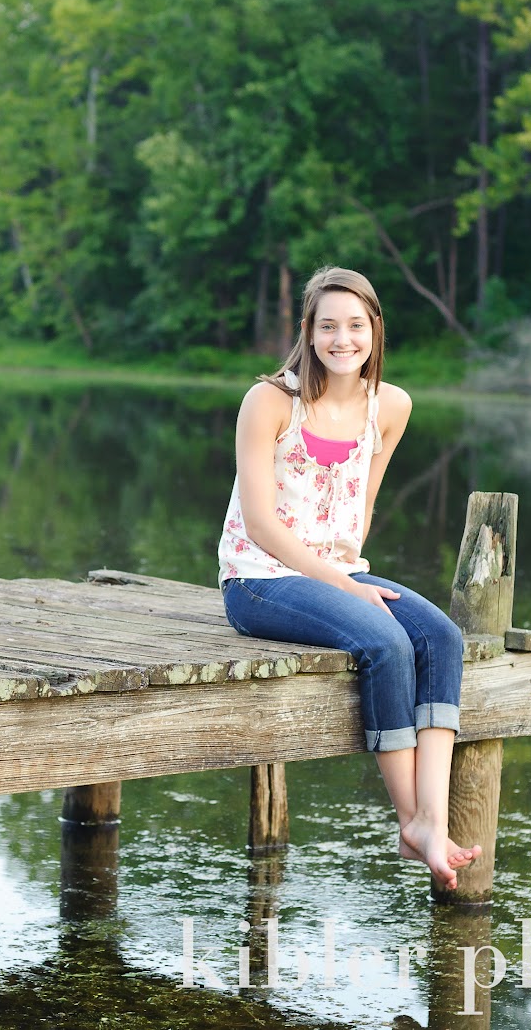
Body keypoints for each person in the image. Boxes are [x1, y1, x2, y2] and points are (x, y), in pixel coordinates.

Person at [217, 266, 480, 890]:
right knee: (384, 641)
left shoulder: (390, 406)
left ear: (375, 330)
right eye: (328, 326)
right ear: (307, 332)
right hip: (257, 579)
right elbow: (259, 523)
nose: (342, 339)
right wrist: (343, 588)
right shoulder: (270, 402)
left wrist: (347, 577)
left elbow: (362, 507)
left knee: (440, 637)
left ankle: (432, 819)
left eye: (356, 325)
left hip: (336, 572)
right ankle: (410, 820)